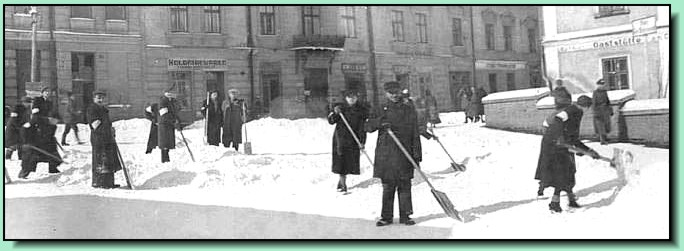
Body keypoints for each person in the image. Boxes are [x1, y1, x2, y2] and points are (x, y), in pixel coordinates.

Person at [366, 81, 421, 226]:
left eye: (396, 92)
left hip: (404, 151)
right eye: (390, 92)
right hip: (387, 153)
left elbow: (415, 132)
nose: (394, 95)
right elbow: (367, 126)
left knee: (404, 185)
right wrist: (380, 122)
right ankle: (386, 217)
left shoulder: (408, 109)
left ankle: (405, 216)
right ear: (386, 93)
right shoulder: (380, 109)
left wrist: (417, 155)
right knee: (388, 186)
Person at [535, 94, 600, 213]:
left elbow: (574, 138)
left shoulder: (577, 113)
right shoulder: (573, 110)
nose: (588, 110)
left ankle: (570, 200)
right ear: (586, 106)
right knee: (561, 172)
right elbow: (558, 118)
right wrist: (559, 137)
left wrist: (587, 150)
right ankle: (555, 203)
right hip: (552, 144)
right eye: (588, 107)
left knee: (569, 171)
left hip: (560, 144)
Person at [327, 90, 369, 193]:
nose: (351, 99)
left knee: (349, 162)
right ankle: (342, 183)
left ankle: (341, 181)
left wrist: (362, 141)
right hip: (340, 138)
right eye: (349, 97)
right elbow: (331, 121)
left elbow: (362, 127)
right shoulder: (340, 108)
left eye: (354, 97)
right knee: (341, 161)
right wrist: (334, 112)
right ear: (345, 98)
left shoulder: (361, 110)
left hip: (353, 139)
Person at [87, 90, 122, 189]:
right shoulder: (92, 109)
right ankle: (98, 182)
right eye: (98, 98)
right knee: (100, 160)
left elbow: (106, 122)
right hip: (98, 138)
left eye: (102, 98)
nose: (100, 99)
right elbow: (95, 125)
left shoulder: (103, 109)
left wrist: (111, 129)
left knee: (109, 160)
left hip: (107, 138)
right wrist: (107, 129)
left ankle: (109, 182)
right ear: (94, 99)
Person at [158, 89, 181, 163]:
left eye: (171, 93)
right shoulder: (162, 101)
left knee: (168, 143)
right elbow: (164, 114)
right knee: (164, 144)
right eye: (168, 93)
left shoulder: (172, 101)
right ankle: (164, 160)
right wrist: (173, 119)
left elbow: (177, 109)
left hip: (169, 124)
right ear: (165, 94)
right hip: (164, 124)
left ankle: (167, 160)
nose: (170, 95)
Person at [592, 79, 613, 145]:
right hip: (599, 111)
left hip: (605, 111)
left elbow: (608, 101)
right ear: (598, 85)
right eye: (600, 85)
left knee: (606, 125)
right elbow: (594, 103)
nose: (602, 86)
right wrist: (595, 112)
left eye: (603, 85)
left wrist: (610, 110)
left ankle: (605, 137)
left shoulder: (604, 92)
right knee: (600, 126)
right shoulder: (595, 93)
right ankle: (602, 140)